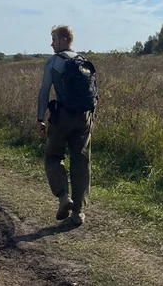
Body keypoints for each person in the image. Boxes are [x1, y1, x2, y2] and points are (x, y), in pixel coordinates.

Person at [37, 24, 95, 226]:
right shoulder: (83, 62)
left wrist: (40, 118)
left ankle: (63, 196)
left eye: (53, 39)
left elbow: (45, 91)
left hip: (62, 116)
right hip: (84, 117)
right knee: (81, 162)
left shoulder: (53, 62)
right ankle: (78, 213)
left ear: (63, 40)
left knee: (53, 157)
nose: (51, 43)